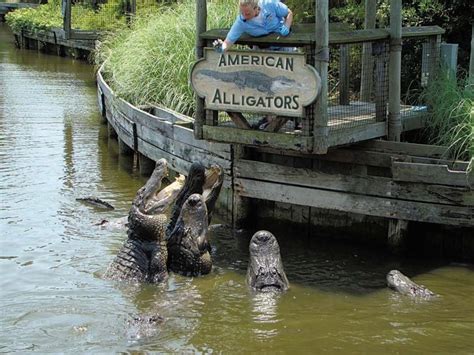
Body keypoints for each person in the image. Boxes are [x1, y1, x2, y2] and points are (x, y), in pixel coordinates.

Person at [213, 0, 293, 54]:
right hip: (261, 50)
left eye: (247, 13)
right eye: (242, 13)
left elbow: (288, 13)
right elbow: (229, 41)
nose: (244, 16)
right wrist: (221, 48)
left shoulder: (269, 4)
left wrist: (286, 26)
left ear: (256, 8)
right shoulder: (241, 22)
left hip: (284, 45)